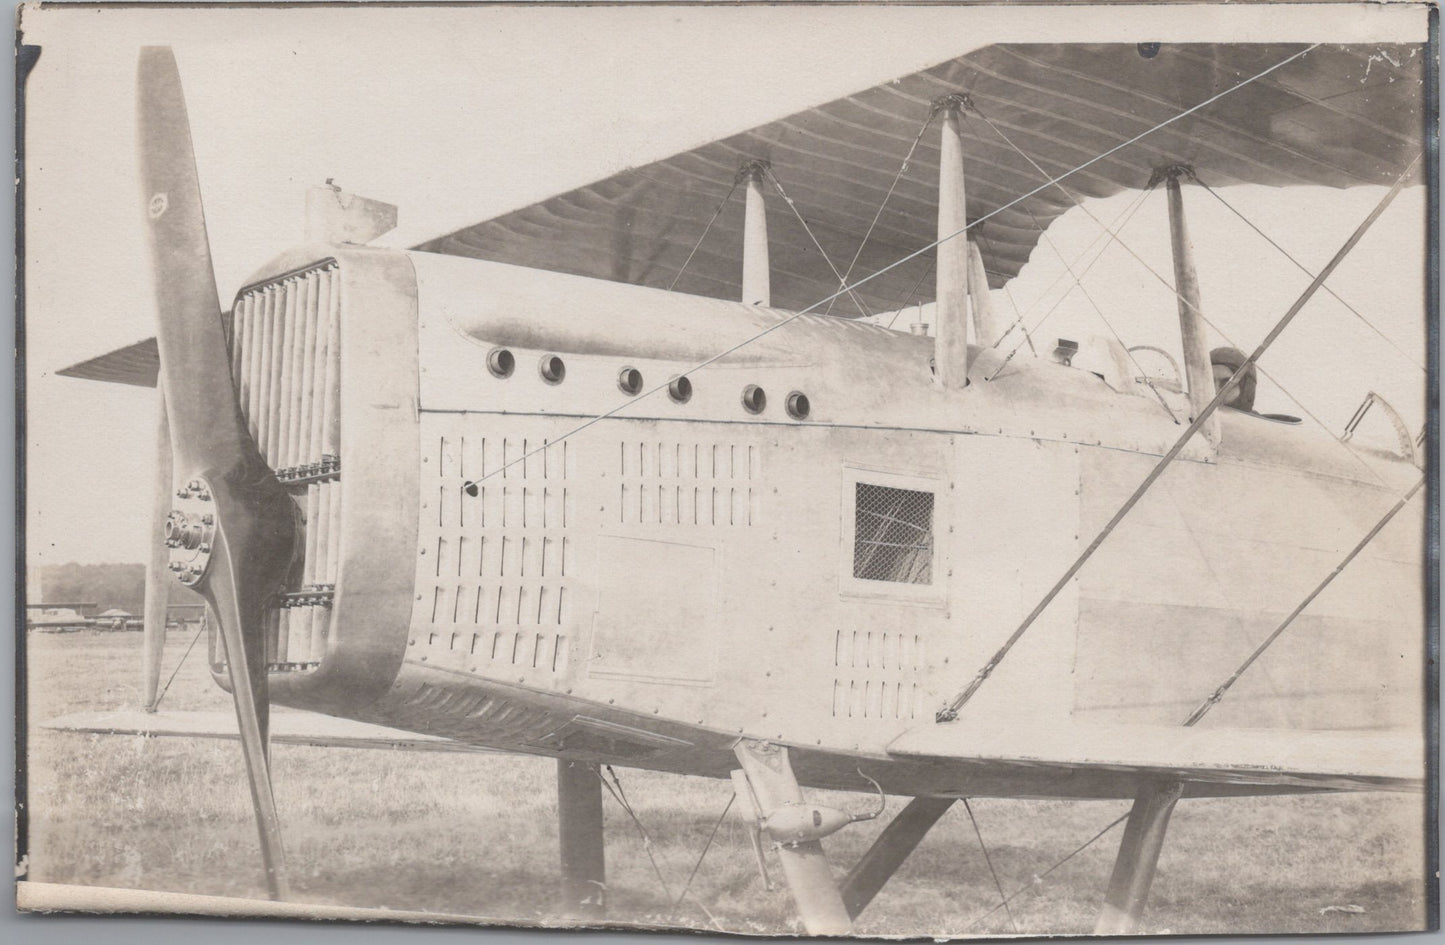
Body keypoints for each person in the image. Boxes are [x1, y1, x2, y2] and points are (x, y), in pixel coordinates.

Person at [1209, 346, 1256, 412]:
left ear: (1246, 390)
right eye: (1209, 383)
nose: (1215, 392)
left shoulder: (1263, 422)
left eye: (1227, 385)